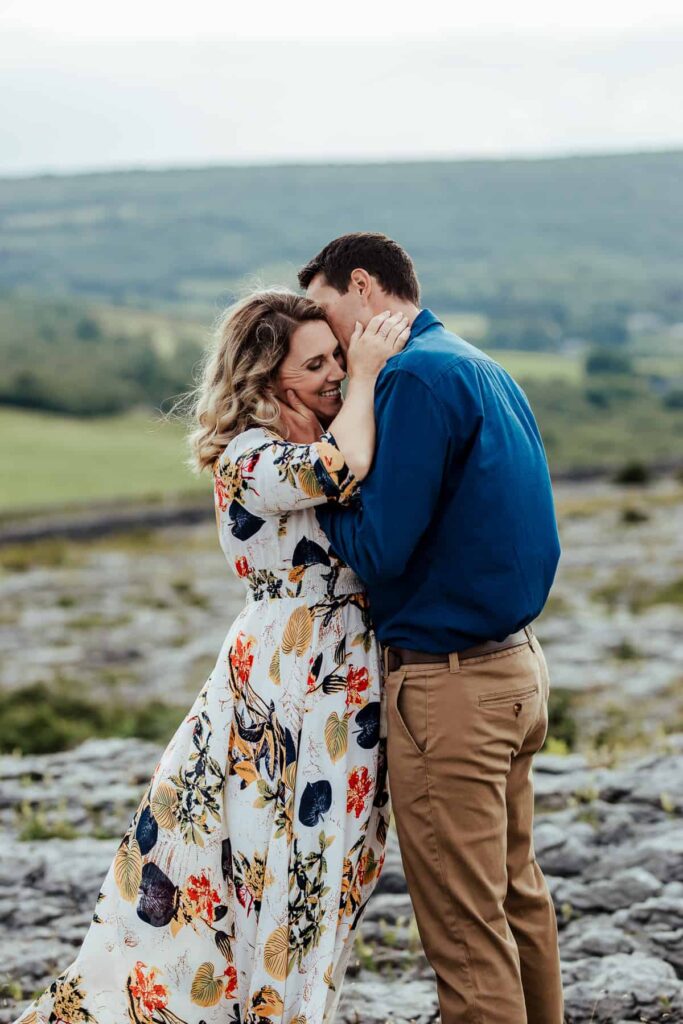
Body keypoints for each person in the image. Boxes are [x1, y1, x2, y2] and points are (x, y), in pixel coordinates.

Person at [12, 291, 410, 1024]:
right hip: (289, 677)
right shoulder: (250, 456)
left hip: (340, 676)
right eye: (314, 363)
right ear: (264, 377)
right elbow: (340, 466)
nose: (333, 374)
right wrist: (367, 374)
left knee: (330, 867)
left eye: (336, 358)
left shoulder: (309, 433)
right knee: (280, 862)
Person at [296, 232, 565, 1024]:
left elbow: (377, 547)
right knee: (516, 900)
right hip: (514, 670)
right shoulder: (474, 362)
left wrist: (316, 480)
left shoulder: (409, 377)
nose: (324, 338)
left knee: (464, 929)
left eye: (323, 311)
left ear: (362, 285)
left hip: (450, 690)